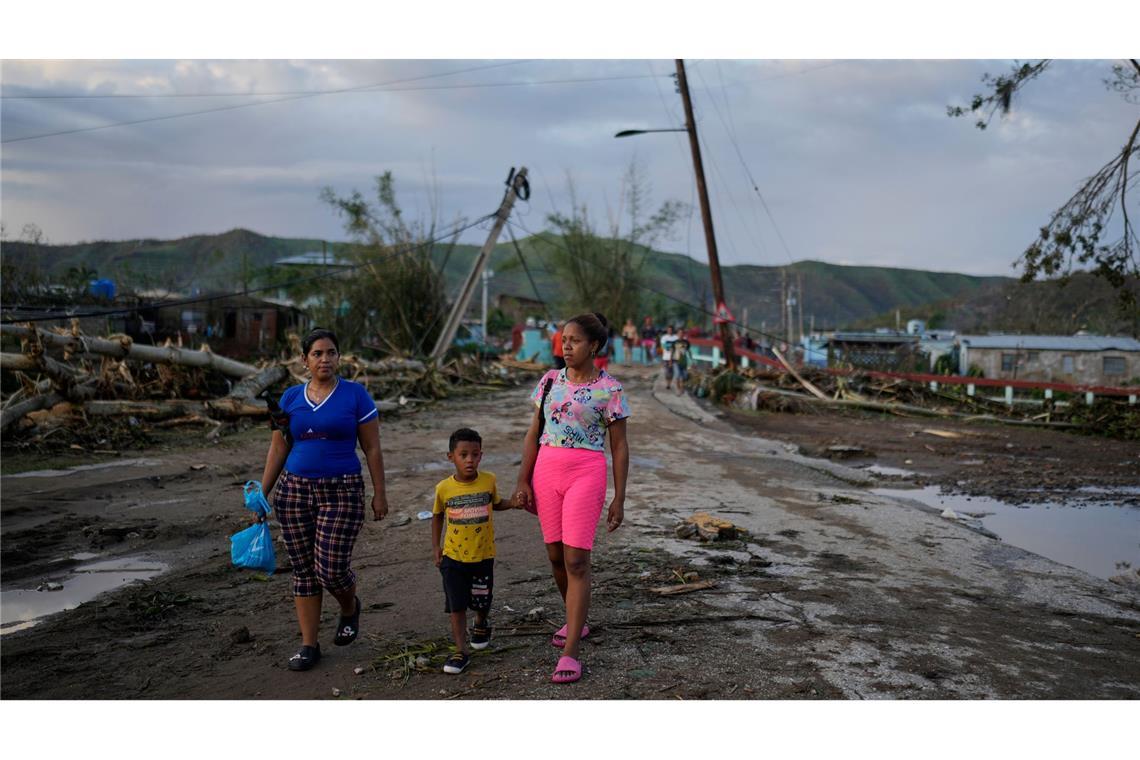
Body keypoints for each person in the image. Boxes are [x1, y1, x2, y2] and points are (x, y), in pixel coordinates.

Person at [259, 327, 389, 672]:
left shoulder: (355, 396)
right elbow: (279, 447)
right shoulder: (289, 398)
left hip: (342, 489)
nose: (325, 359)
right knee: (303, 571)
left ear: (339, 357)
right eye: (317, 354)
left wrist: (380, 493)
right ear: (304, 360)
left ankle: (349, 608)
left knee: (330, 569)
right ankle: (308, 644)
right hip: (294, 491)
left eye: (331, 352)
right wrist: (262, 493)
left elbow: (372, 447)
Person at [514, 312, 630, 684]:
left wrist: (620, 498)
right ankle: (575, 620)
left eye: (574, 340)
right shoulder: (548, 382)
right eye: (564, 340)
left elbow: (620, 447)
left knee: (576, 560)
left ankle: (571, 653)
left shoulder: (610, 389)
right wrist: (523, 480)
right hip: (547, 472)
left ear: (593, 346)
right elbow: (533, 433)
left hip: (586, 473)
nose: (566, 346)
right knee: (554, 555)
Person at [431, 428, 521, 675]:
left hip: (482, 556)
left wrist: (513, 503)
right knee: (456, 604)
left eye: (475, 454)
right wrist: (436, 548)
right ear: (451, 457)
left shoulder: (488, 480)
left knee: (482, 599)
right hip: (453, 557)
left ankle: (481, 622)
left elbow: (496, 503)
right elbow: (437, 517)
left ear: (481, 456)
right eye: (463, 455)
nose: (469, 460)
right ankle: (461, 650)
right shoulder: (444, 488)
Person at [659, 325, 679, 389]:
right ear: (667, 330)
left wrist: (671, 347)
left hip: (674, 357)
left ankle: (669, 384)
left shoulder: (676, 337)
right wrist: (671, 347)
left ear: (673, 330)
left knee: (672, 371)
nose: (670, 331)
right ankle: (667, 382)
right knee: (666, 372)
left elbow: (678, 347)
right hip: (666, 357)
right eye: (669, 330)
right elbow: (663, 346)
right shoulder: (664, 337)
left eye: (671, 330)